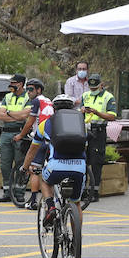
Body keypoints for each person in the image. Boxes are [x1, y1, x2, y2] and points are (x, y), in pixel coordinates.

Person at [19, 94, 87, 223]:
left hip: (56, 166)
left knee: (44, 180)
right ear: (72, 108)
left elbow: (32, 150)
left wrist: (25, 167)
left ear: (54, 109)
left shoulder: (45, 124)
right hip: (79, 167)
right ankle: (76, 240)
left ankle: (50, 207)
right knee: (76, 203)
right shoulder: (81, 124)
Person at [17, 78, 54, 210]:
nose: (28, 92)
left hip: (42, 136)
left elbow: (30, 121)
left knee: (34, 169)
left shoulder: (36, 101)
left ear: (39, 90)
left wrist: (21, 135)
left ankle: (33, 200)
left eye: (31, 89)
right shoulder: (48, 100)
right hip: (52, 136)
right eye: (27, 89)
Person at [80, 72, 116, 202]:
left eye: (95, 88)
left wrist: (97, 113)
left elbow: (112, 116)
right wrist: (82, 110)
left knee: (96, 161)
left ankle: (94, 191)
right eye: (91, 88)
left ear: (101, 85)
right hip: (85, 131)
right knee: (83, 160)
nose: (93, 90)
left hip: (99, 131)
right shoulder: (85, 95)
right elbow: (79, 112)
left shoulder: (108, 97)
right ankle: (82, 189)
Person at [0, 74, 30, 203]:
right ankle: (7, 192)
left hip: (20, 133)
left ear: (20, 84)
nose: (11, 85)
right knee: (5, 164)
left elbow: (25, 115)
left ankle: (19, 192)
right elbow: (0, 115)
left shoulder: (27, 97)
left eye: (13, 82)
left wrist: (8, 113)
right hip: (6, 133)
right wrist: (16, 116)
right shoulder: (8, 96)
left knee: (20, 164)